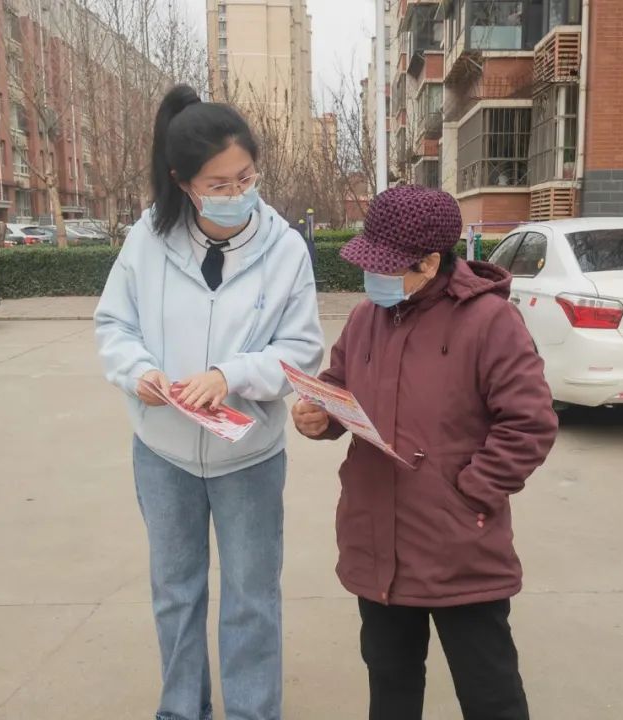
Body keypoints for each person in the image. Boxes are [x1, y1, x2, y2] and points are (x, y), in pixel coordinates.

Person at [95, 84, 324, 720]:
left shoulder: (284, 249)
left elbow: (302, 351)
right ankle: (181, 710)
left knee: (252, 598)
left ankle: (253, 711)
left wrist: (231, 374)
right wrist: (138, 371)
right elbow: (114, 324)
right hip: (162, 451)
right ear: (183, 182)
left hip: (249, 455)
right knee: (175, 592)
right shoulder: (149, 239)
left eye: (245, 177)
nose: (236, 192)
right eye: (218, 184)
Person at [291, 185, 558, 720]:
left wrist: (470, 493)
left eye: (385, 266)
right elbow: (340, 382)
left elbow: (529, 422)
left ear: (430, 262)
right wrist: (320, 415)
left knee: (490, 693)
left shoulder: (490, 322)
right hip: (376, 538)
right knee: (391, 685)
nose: (373, 276)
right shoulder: (366, 317)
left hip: (458, 546)